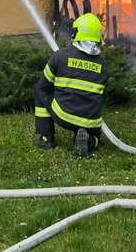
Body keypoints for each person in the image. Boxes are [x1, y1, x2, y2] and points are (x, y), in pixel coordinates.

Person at [34, 11, 109, 157]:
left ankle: (46, 138)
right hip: (90, 120)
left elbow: (43, 85)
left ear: (76, 33)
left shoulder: (60, 57)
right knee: (95, 137)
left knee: (40, 91)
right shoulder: (103, 65)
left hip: (64, 115)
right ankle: (88, 141)